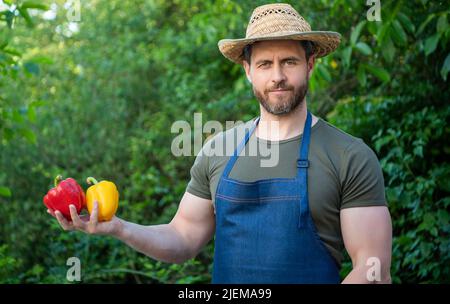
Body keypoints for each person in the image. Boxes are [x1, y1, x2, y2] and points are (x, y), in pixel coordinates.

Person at [47, 3, 392, 284]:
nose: (277, 76)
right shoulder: (218, 150)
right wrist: (120, 228)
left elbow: (373, 269)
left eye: (289, 61)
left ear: (310, 64)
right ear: (247, 70)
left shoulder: (349, 156)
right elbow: (182, 238)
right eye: (264, 64)